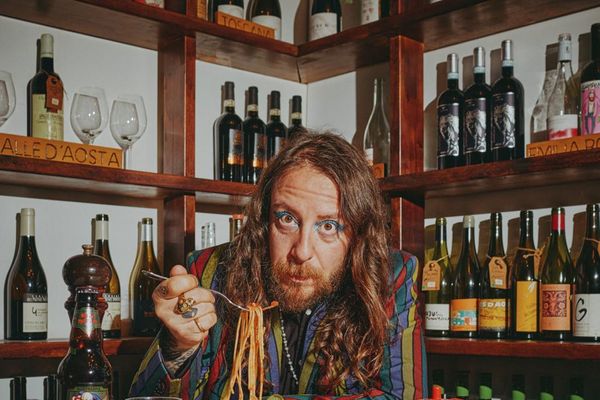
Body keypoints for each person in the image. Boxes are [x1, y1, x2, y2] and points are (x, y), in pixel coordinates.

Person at [128, 131, 426, 399]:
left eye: (328, 226)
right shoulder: (211, 271)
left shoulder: (391, 277)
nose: (302, 252)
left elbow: (400, 396)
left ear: (357, 234)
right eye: (287, 219)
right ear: (264, 221)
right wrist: (178, 347)